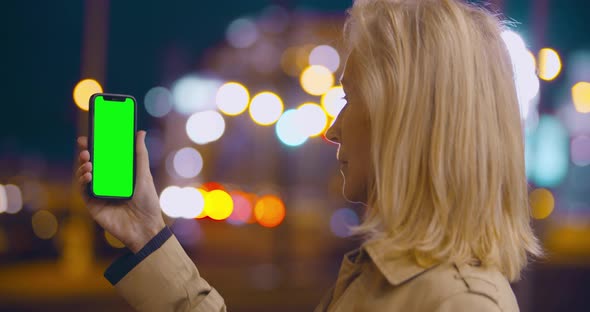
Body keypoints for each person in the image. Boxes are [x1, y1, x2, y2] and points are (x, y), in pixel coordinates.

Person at [76, 0, 542, 311]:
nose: (333, 130)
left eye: (350, 98)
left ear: (407, 120)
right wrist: (145, 233)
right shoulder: (394, 280)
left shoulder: (458, 305)